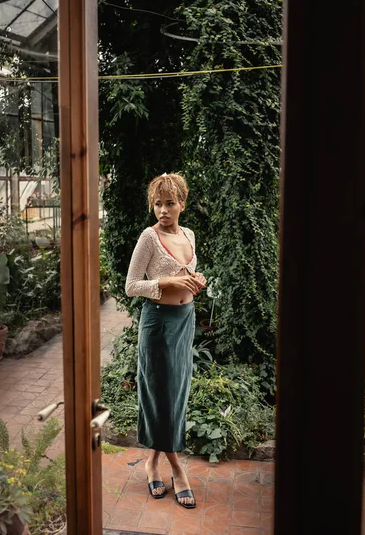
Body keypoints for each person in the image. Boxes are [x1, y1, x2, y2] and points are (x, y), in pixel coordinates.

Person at [125, 173, 206, 509]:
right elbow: (131, 286)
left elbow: (186, 277)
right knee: (161, 391)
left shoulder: (188, 234)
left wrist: (196, 279)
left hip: (184, 321)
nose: (162, 210)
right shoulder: (148, 237)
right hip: (157, 323)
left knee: (177, 392)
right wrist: (168, 281)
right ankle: (176, 466)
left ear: (181, 205)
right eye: (157, 203)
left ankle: (152, 462)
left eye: (169, 203)